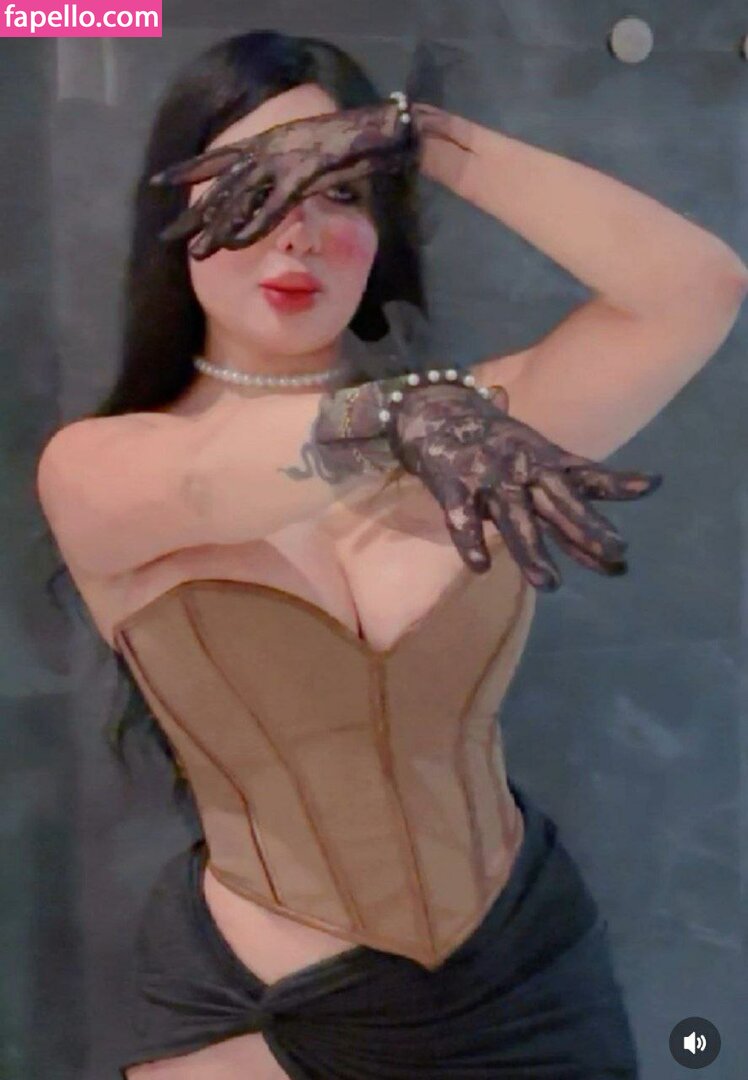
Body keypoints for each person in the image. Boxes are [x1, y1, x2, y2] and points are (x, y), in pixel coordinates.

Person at [35, 29, 747, 1080]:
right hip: (259, 1021)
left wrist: (425, 136)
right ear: (177, 218)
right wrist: (392, 422)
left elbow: (697, 287)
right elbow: (209, 484)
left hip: (527, 979)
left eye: (342, 191)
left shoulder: (471, 428)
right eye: (254, 185)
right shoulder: (99, 465)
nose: (300, 233)